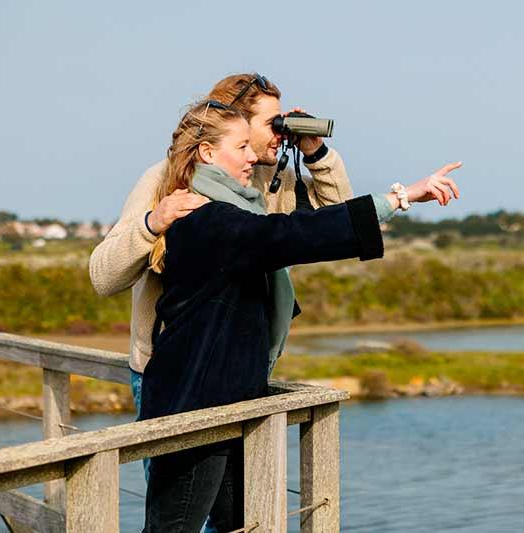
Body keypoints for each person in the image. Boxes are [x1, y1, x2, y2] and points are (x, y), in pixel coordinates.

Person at [139, 98, 461, 532]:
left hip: (227, 402)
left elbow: (311, 218)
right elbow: (295, 234)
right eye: (241, 147)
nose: (253, 155)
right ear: (207, 153)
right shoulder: (206, 218)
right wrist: (400, 198)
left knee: (240, 524)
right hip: (195, 408)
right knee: (173, 528)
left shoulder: (232, 210)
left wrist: (316, 153)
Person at [88, 73, 355, 434]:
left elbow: (340, 222)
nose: (281, 132)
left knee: (237, 489)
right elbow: (103, 276)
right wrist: (152, 222)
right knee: (178, 487)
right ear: (236, 124)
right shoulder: (166, 178)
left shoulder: (273, 180)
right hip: (172, 370)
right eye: (272, 124)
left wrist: (314, 151)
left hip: (241, 369)